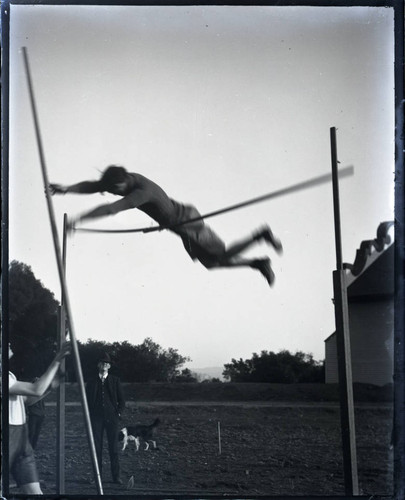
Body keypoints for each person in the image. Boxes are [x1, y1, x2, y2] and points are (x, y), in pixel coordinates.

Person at [49, 166, 283, 286]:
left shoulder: (141, 192)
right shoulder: (119, 180)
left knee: (221, 255)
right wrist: (67, 188)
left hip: (189, 222)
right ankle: (257, 262)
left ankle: (260, 236)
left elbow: (111, 209)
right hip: (177, 226)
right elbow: (93, 185)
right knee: (212, 264)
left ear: (124, 183)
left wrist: (78, 220)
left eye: (116, 190)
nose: (113, 192)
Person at [8, 343, 70, 494]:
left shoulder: (9, 375)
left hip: (22, 440)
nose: (9, 344)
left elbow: (26, 401)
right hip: (8, 438)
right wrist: (57, 359)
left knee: (35, 493)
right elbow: (36, 389)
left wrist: (51, 386)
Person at [85, 352, 125, 485]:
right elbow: (85, 400)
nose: (105, 365)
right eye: (102, 363)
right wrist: (89, 415)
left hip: (112, 418)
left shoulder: (115, 380)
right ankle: (97, 476)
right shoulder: (91, 381)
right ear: (98, 365)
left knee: (113, 448)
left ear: (109, 366)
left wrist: (117, 413)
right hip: (96, 418)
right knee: (96, 448)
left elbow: (122, 401)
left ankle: (116, 477)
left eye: (107, 363)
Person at [26, 378, 46, 449]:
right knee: (31, 432)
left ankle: (33, 447)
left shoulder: (41, 393)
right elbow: (28, 403)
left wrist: (43, 413)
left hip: (40, 415)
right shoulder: (31, 393)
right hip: (33, 415)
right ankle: (29, 447)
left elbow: (42, 404)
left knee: (36, 433)